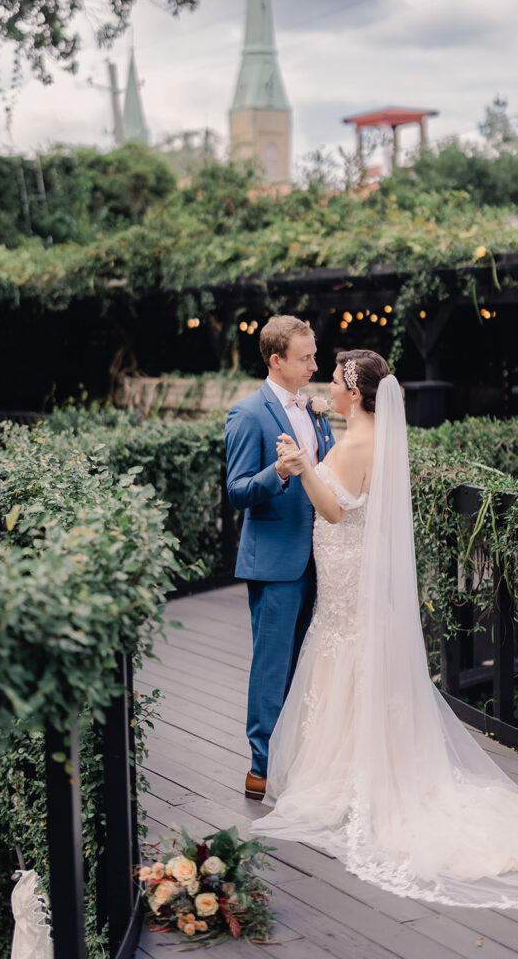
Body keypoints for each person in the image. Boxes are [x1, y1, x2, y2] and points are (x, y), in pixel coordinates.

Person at [252, 349, 518, 909]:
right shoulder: (374, 437)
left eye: (335, 381)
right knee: (351, 664)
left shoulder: (359, 444)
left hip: (345, 579)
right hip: (351, 577)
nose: (328, 388)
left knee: (343, 661)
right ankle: (365, 762)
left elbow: (334, 510)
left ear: (355, 394)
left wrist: (301, 461)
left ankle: (349, 778)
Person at [225, 315, 333, 801]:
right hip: (274, 561)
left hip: (320, 558)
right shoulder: (247, 414)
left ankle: (299, 760)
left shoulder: (312, 410)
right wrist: (277, 473)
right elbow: (237, 491)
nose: (315, 363)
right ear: (277, 360)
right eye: (305, 357)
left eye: (314, 354)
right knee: (272, 668)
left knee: (307, 666)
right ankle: (261, 768)